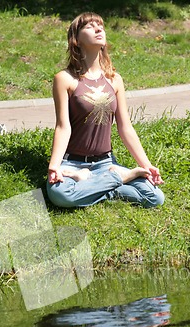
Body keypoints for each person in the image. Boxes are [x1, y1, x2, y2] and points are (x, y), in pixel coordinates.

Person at [46, 12, 165, 209]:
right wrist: (55, 166)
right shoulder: (65, 79)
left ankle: (96, 184)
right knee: (60, 196)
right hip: (73, 164)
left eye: (100, 25)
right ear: (76, 39)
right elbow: (62, 126)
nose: (98, 29)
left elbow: (125, 127)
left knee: (155, 197)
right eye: (89, 26)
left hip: (105, 163)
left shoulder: (114, 79)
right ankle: (114, 180)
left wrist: (146, 166)